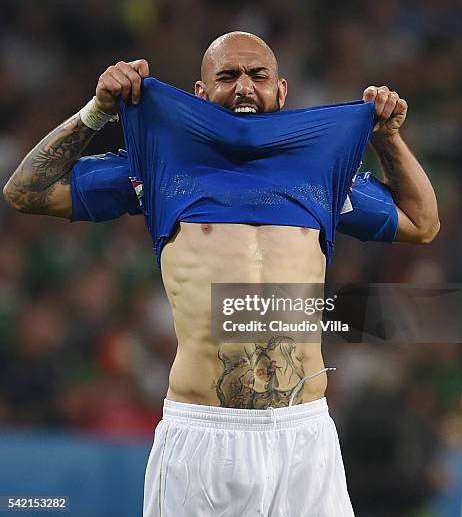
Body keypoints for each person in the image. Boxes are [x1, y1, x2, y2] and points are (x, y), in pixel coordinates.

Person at [3, 31, 439, 516]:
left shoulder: (323, 174)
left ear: (282, 90)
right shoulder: (159, 167)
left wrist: (388, 139)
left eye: (258, 76)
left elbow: (422, 225)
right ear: (199, 92)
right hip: (202, 435)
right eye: (227, 76)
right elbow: (26, 192)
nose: (244, 88)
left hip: (304, 437)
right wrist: (96, 112)